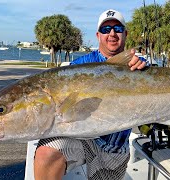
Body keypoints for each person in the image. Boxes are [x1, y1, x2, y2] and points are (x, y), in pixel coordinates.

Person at [34, 9, 146, 180]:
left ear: (125, 33)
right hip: (80, 140)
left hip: (113, 148)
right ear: (98, 35)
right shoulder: (79, 67)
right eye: (106, 30)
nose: (112, 33)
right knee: (46, 154)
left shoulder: (137, 66)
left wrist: (143, 69)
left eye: (118, 28)